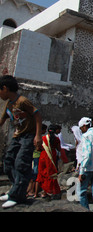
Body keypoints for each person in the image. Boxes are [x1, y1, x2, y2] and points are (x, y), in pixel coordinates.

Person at [0, 75, 43, 208]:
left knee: (21, 163)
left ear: (5, 89)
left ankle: (18, 195)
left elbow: (37, 116)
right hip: (17, 136)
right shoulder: (9, 104)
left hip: (28, 136)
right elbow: (3, 120)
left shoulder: (23, 101)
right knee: (8, 162)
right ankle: (15, 190)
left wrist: (38, 136)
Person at [36, 124, 62, 198]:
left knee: (42, 173)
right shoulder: (57, 139)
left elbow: (38, 148)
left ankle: (40, 192)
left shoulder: (43, 138)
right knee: (51, 173)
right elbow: (59, 149)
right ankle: (49, 191)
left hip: (43, 156)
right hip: (52, 156)